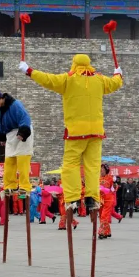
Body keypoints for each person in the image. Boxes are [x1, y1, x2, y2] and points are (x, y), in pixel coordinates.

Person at [18, 55, 123, 213]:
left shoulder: (68, 79)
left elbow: (48, 79)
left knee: (70, 165)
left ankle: (73, 198)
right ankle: (92, 198)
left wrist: (29, 70)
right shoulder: (100, 79)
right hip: (96, 132)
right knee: (93, 166)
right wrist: (118, 73)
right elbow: (116, 83)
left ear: (74, 64)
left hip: (76, 132)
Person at [0, 87, 33, 199]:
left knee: (22, 160)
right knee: (9, 161)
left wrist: (22, 132)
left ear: (1, 98)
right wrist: (2, 137)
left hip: (22, 130)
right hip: (10, 134)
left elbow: (25, 117)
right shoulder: (1, 110)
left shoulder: (15, 104)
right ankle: (10, 185)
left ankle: (24, 186)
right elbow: (1, 124)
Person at [98, 164, 114, 239]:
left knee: (104, 216)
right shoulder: (98, 178)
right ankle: (108, 232)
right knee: (101, 216)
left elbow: (109, 188)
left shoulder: (110, 178)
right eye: (101, 169)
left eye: (103, 169)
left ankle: (102, 232)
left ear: (106, 170)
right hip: (100, 200)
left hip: (108, 199)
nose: (101, 170)